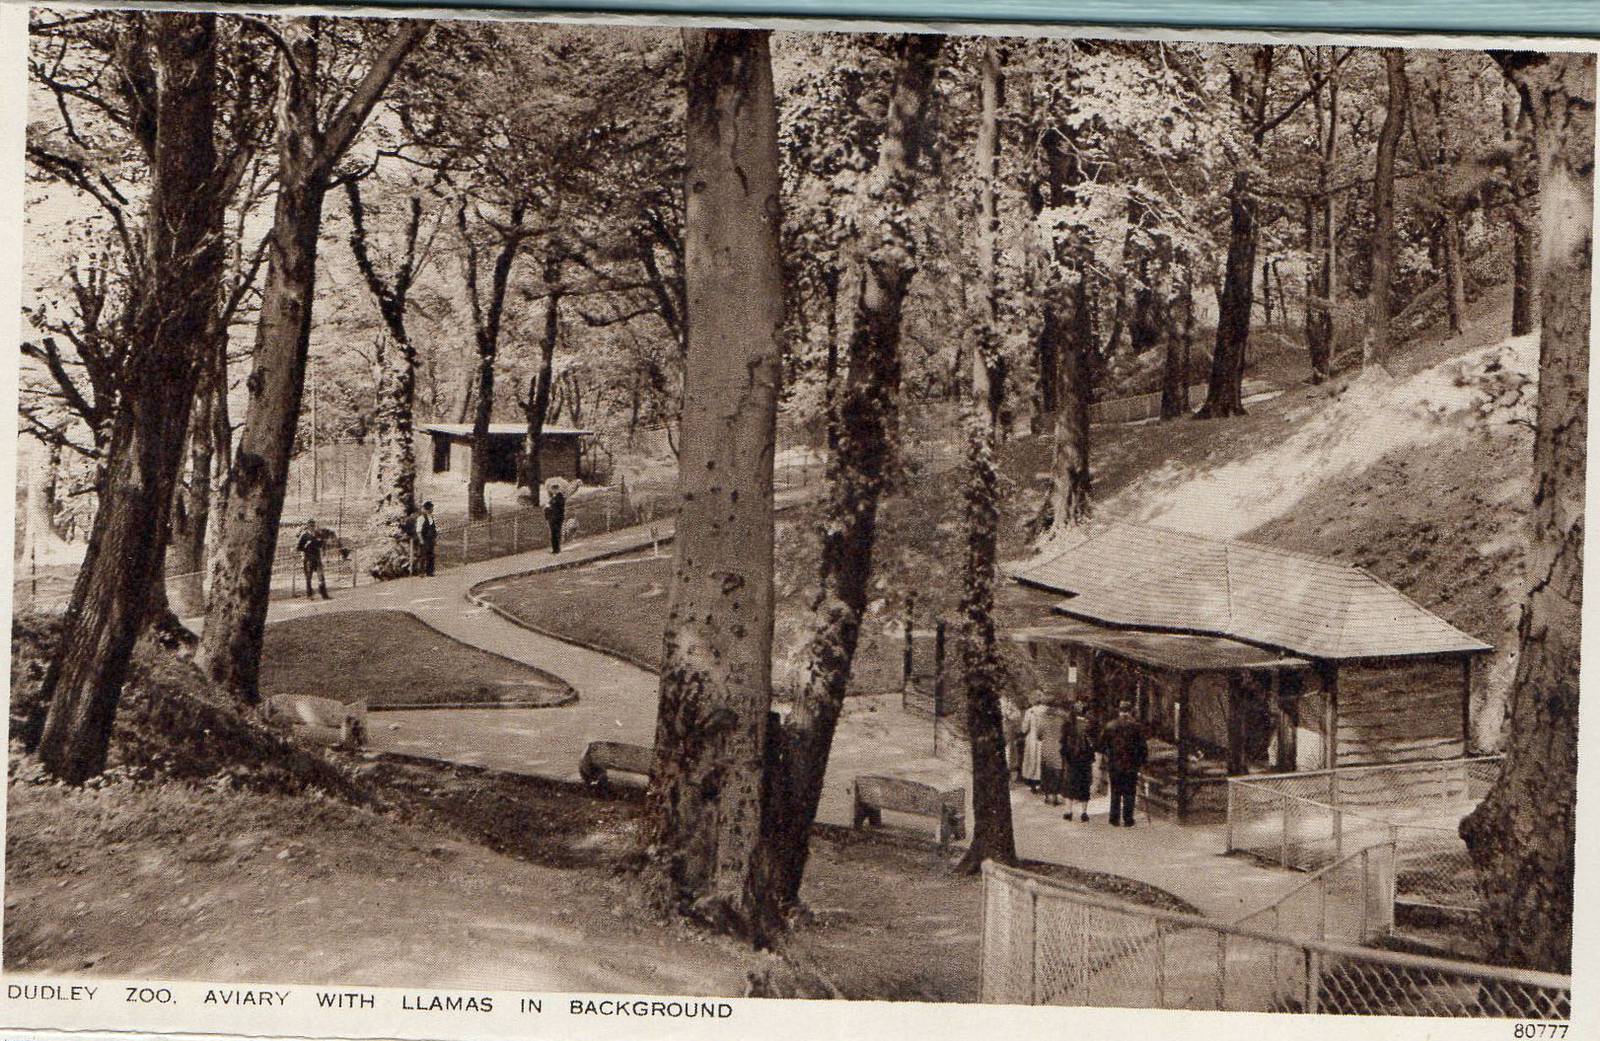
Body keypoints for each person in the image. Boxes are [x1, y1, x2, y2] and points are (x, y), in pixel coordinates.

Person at [1099, 699, 1148, 827]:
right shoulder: (1136, 727)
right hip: (1131, 764)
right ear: (1131, 711)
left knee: (1115, 791)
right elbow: (1143, 747)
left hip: (1115, 763)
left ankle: (1114, 819)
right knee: (1130, 791)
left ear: (1119, 711)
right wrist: (1142, 761)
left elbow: (1101, 745)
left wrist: (1107, 755)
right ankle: (1128, 819)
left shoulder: (1110, 726)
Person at [1061, 701, 1097, 822]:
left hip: (1071, 759)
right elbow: (1094, 742)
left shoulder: (1068, 724)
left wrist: (1065, 755)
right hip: (1085, 759)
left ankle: (1068, 811)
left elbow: (1062, 741)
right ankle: (1084, 812)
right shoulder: (1089, 724)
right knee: (1084, 784)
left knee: (1069, 784)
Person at [1037, 699, 1067, 807]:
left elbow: (1038, 735)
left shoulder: (1042, 719)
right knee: (1058, 772)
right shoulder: (1062, 719)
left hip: (1046, 749)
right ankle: (1058, 795)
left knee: (1047, 772)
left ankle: (1049, 796)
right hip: (1059, 748)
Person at [1020, 691, 1047, 792]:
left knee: (1032, 759)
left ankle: (1032, 784)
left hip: (1032, 738)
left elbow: (1024, 729)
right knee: (1041, 760)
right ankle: (1042, 783)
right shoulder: (1046, 711)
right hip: (1043, 739)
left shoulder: (1030, 711)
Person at [296, 519, 330, 600]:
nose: (312, 527)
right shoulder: (304, 536)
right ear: (308, 526)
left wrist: (321, 542)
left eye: (313, 526)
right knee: (308, 577)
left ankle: (324, 595)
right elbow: (298, 548)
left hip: (317, 558)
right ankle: (309, 595)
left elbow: (322, 544)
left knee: (321, 577)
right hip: (308, 559)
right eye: (310, 526)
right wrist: (306, 546)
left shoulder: (318, 534)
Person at [1001, 696, 1024, 782]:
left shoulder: (1012, 705)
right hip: (1003, 733)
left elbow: (1017, 716)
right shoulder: (999, 703)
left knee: (1010, 755)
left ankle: (1010, 777)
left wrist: (1008, 715)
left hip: (1009, 734)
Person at [414, 501, 438, 577]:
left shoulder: (431, 517)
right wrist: (421, 540)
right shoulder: (421, 518)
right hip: (424, 539)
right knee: (423, 556)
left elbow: (433, 528)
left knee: (431, 555)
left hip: (430, 539)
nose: (432, 509)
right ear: (428, 508)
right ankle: (421, 572)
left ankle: (430, 571)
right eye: (432, 508)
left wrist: (434, 539)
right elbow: (418, 531)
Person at [544, 485, 567, 555]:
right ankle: (555, 549)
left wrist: (550, 507)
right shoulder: (554, 497)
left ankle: (557, 549)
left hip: (557, 518)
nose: (552, 491)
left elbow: (558, 508)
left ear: (556, 489)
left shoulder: (559, 497)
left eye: (553, 490)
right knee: (553, 534)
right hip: (553, 518)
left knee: (556, 533)